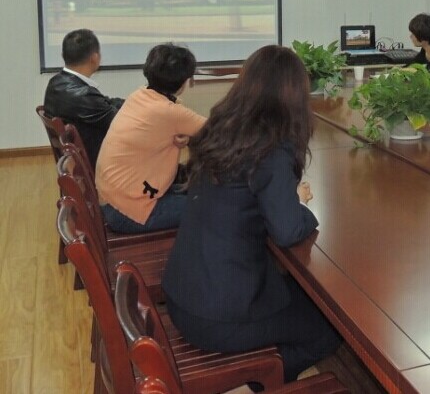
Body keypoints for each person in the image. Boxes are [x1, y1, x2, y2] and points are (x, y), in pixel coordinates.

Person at [162, 45, 341, 382]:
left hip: (183, 293)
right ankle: (253, 383)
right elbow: (288, 230)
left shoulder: (221, 128)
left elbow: (244, 194)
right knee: (331, 326)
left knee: (300, 295)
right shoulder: (271, 148)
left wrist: (284, 198)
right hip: (216, 317)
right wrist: (302, 208)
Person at [96, 43, 206, 233]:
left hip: (114, 198)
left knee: (199, 192)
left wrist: (187, 138)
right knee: (215, 206)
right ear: (184, 81)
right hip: (130, 211)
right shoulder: (169, 112)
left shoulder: (139, 95)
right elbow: (223, 132)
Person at [43, 29, 125, 167]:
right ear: (94, 58)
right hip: (100, 162)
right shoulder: (84, 95)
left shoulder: (55, 83)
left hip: (78, 159)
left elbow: (107, 102)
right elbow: (122, 121)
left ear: (63, 55)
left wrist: (132, 102)